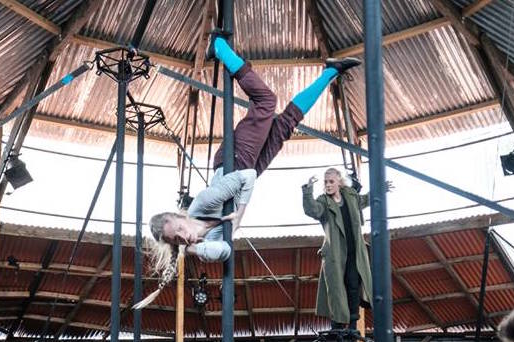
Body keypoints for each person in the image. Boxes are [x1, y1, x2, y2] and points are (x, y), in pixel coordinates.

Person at [141, 37, 361, 308]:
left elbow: (247, 179)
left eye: (179, 229)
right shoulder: (205, 241)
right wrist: (196, 248)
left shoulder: (202, 203)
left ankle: (219, 48)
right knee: (288, 122)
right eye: (177, 239)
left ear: (179, 216)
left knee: (266, 100)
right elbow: (223, 251)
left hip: (235, 162)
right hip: (248, 167)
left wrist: (240, 213)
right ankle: (331, 72)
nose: (184, 236)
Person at [302, 167, 374, 329]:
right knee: (336, 288)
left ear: (339, 182)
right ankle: (338, 325)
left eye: (331, 181)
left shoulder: (350, 195)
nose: (328, 185)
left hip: (354, 250)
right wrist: (308, 191)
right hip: (335, 253)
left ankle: (353, 323)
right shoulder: (323, 202)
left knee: (353, 284)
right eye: (326, 182)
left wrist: (379, 190)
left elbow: (363, 201)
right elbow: (313, 210)